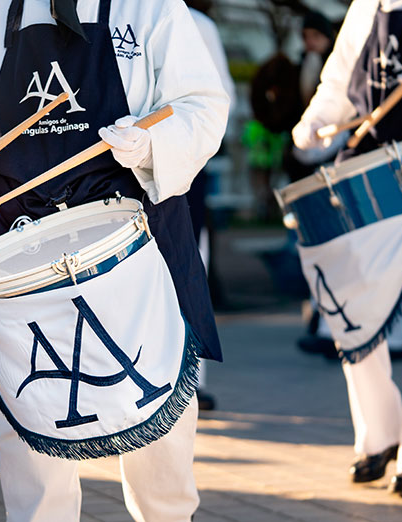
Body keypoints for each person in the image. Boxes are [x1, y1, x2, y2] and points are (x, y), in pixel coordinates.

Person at [0, 0, 229, 519]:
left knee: (160, 426)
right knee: (30, 435)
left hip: (135, 245)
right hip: (19, 248)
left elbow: (200, 104)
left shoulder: (151, 6)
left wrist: (151, 141)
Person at [293, 0, 402, 499]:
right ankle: (379, 433)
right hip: (368, 168)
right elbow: (340, 74)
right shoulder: (368, 3)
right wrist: (315, 122)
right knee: (347, 306)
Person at [184, 0, 236, 412]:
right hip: (117, 162)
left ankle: (190, 380)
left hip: (182, 164)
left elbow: (222, 97)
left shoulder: (196, 24)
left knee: (188, 265)